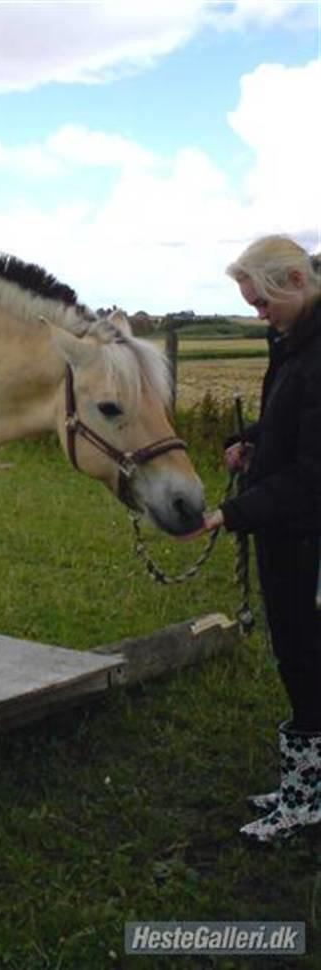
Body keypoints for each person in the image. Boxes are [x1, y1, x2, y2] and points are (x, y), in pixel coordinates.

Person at [194, 235, 321, 843]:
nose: (256, 314)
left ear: (295, 281)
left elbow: (313, 475)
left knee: (307, 657)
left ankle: (305, 801)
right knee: (295, 654)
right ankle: (308, 785)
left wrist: (232, 513)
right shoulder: (294, 343)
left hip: (308, 539)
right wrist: (252, 439)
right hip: (286, 534)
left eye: (263, 302)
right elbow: (289, 426)